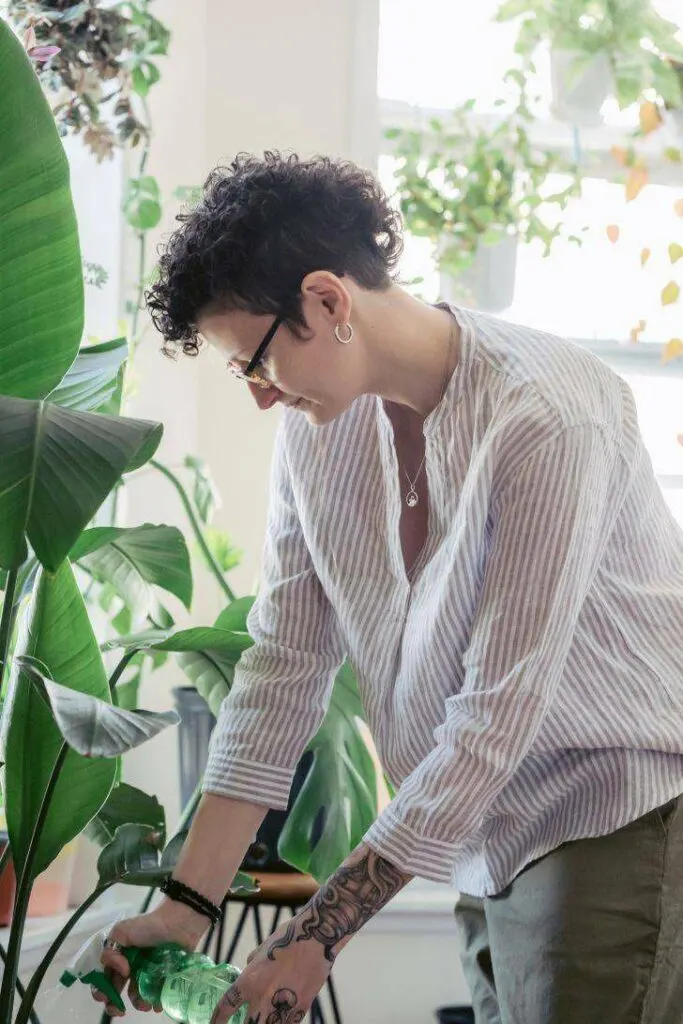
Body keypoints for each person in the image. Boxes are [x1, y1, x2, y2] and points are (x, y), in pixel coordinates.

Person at [93, 151, 683, 1024]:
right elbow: (282, 666)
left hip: (610, 812)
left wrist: (318, 932)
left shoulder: (547, 413)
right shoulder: (318, 436)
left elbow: (495, 711)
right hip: (483, 836)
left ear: (327, 302)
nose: (258, 398)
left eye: (254, 361)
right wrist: (188, 903)